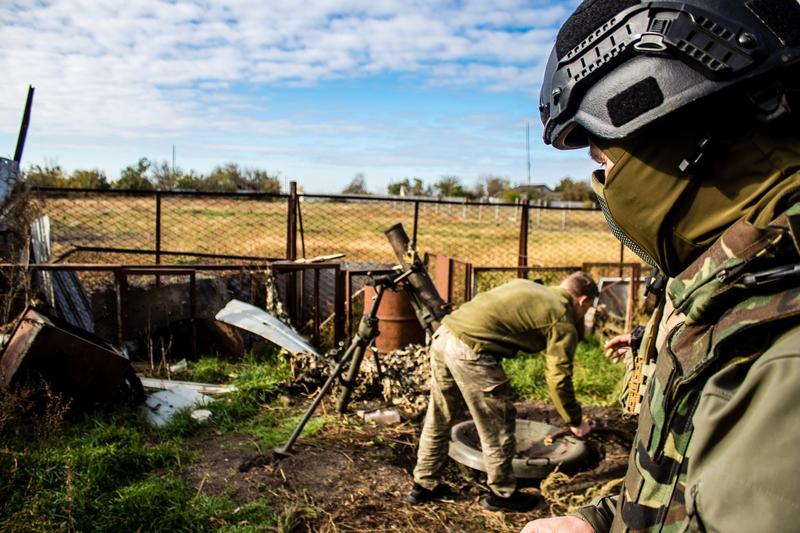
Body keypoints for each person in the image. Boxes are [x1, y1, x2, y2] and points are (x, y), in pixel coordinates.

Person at [523, 0, 800, 531]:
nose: (602, 186)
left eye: (603, 162)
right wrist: (599, 521)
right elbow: (693, 486)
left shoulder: (781, 356)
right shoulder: (736, 289)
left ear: (679, 125)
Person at [408, 271, 598, 512]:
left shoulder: (529, 286)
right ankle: (502, 494)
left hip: (444, 335)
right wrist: (575, 420)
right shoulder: (562, 318)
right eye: (588, 307)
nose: (584, 313)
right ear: (582, 301)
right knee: (497, 424)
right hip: (470, 351)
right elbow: (558, 379)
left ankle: (424, 484)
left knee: (439, 415)